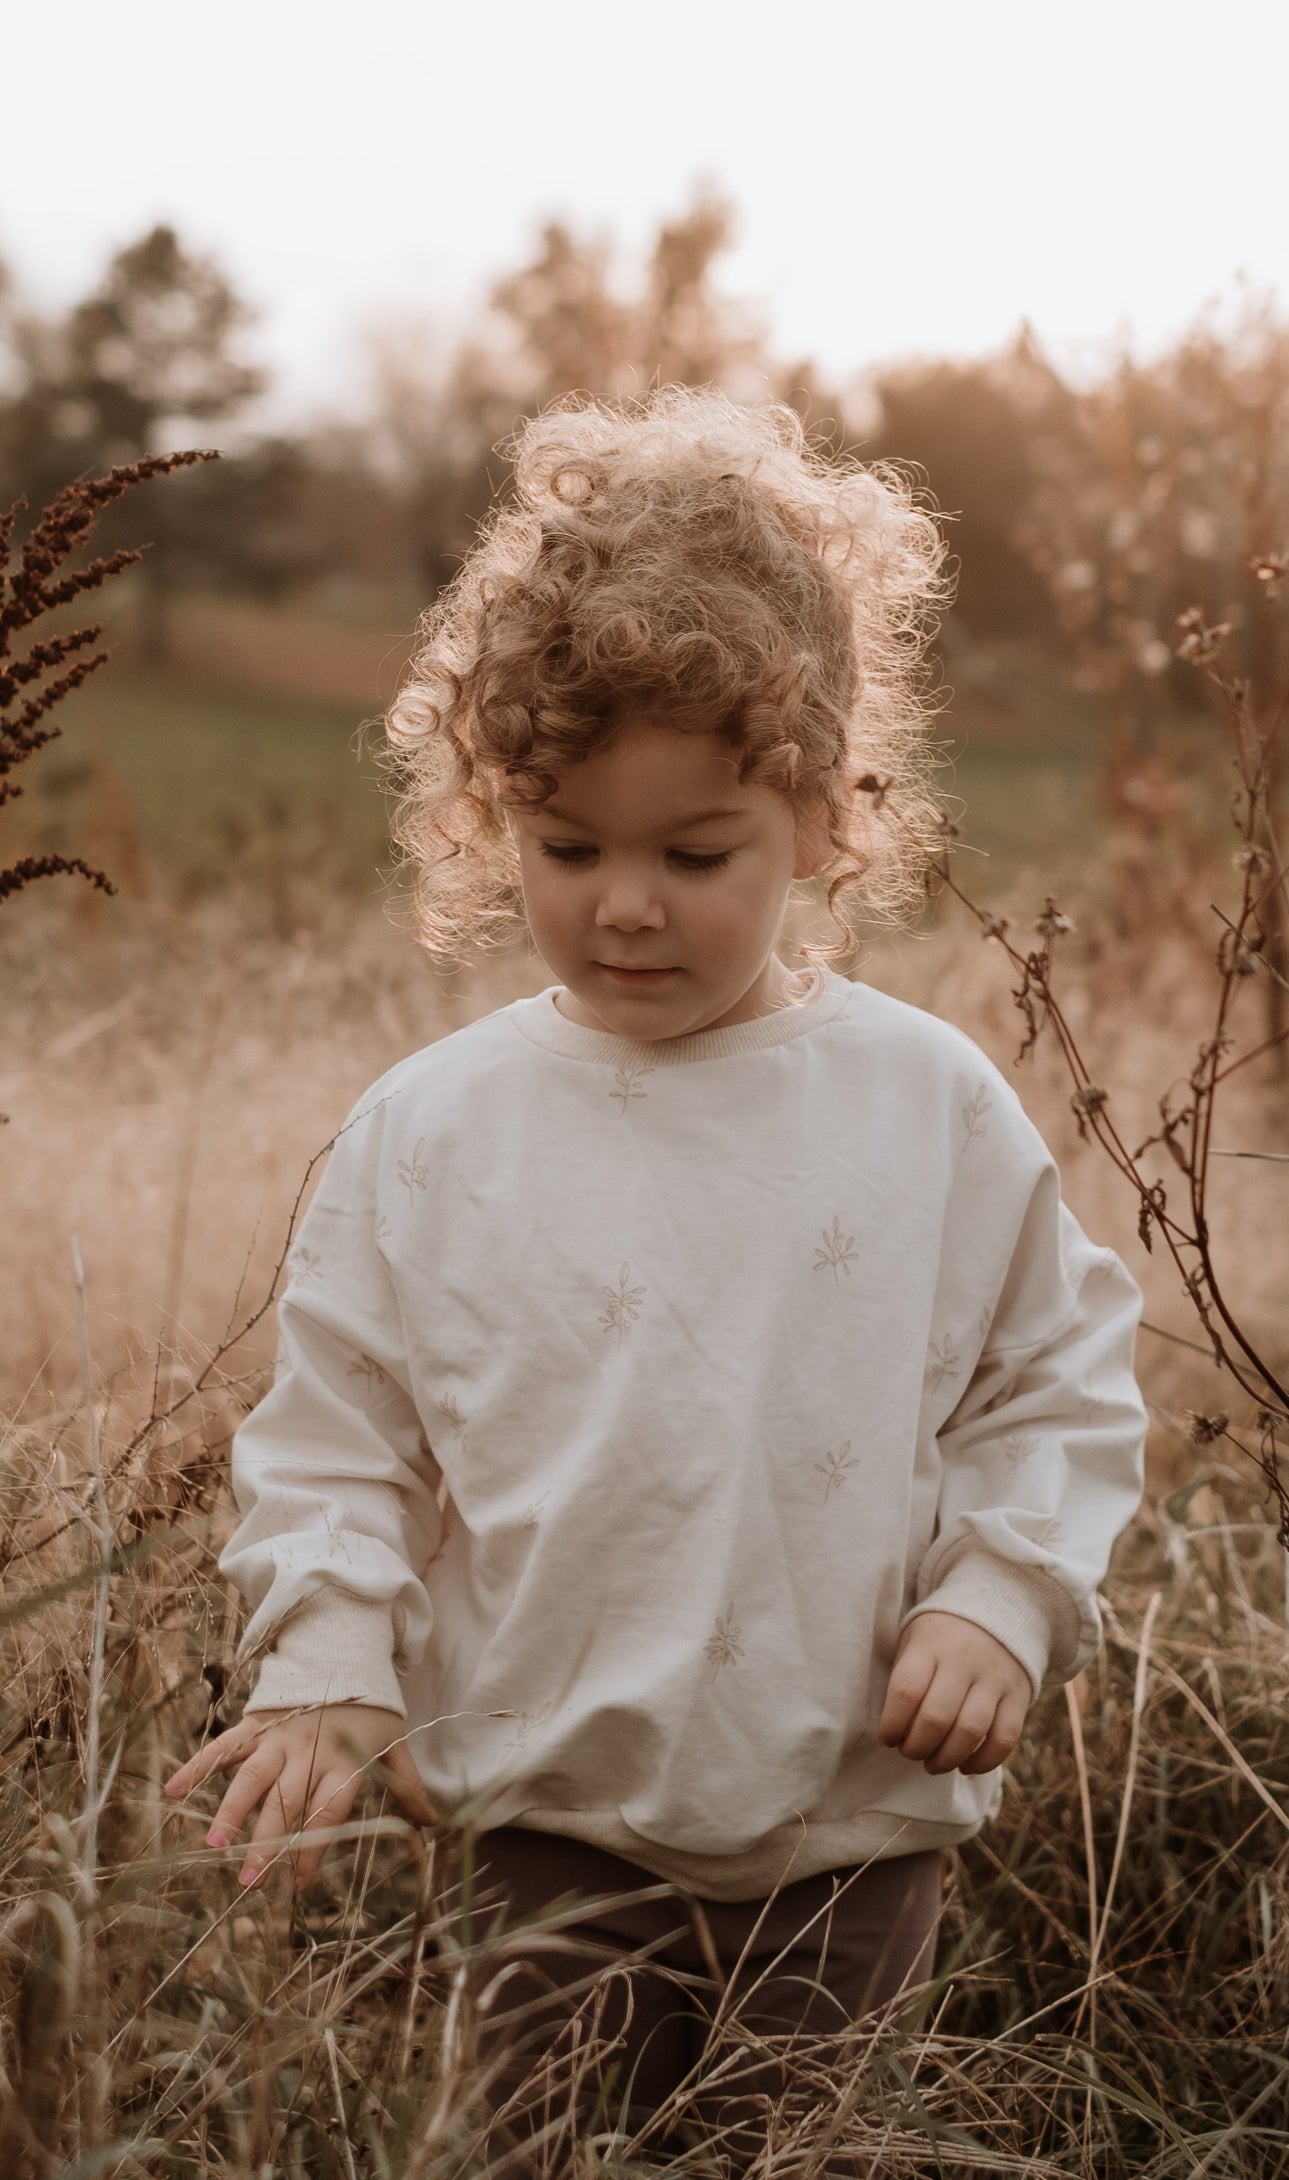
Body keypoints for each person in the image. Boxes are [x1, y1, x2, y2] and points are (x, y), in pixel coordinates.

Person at [163, 384, 1147, 2173]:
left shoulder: (919, 1102)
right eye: (568, 850)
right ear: (488, 821)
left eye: (694, 855)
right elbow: (339, 1434)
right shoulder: (433, 1130)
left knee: (791, 2152)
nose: (626, 905)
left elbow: (1053, 1378)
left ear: (824, 820)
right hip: (548, 1816)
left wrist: (996, 1599)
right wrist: (326, 1662)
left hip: (847, 1822)